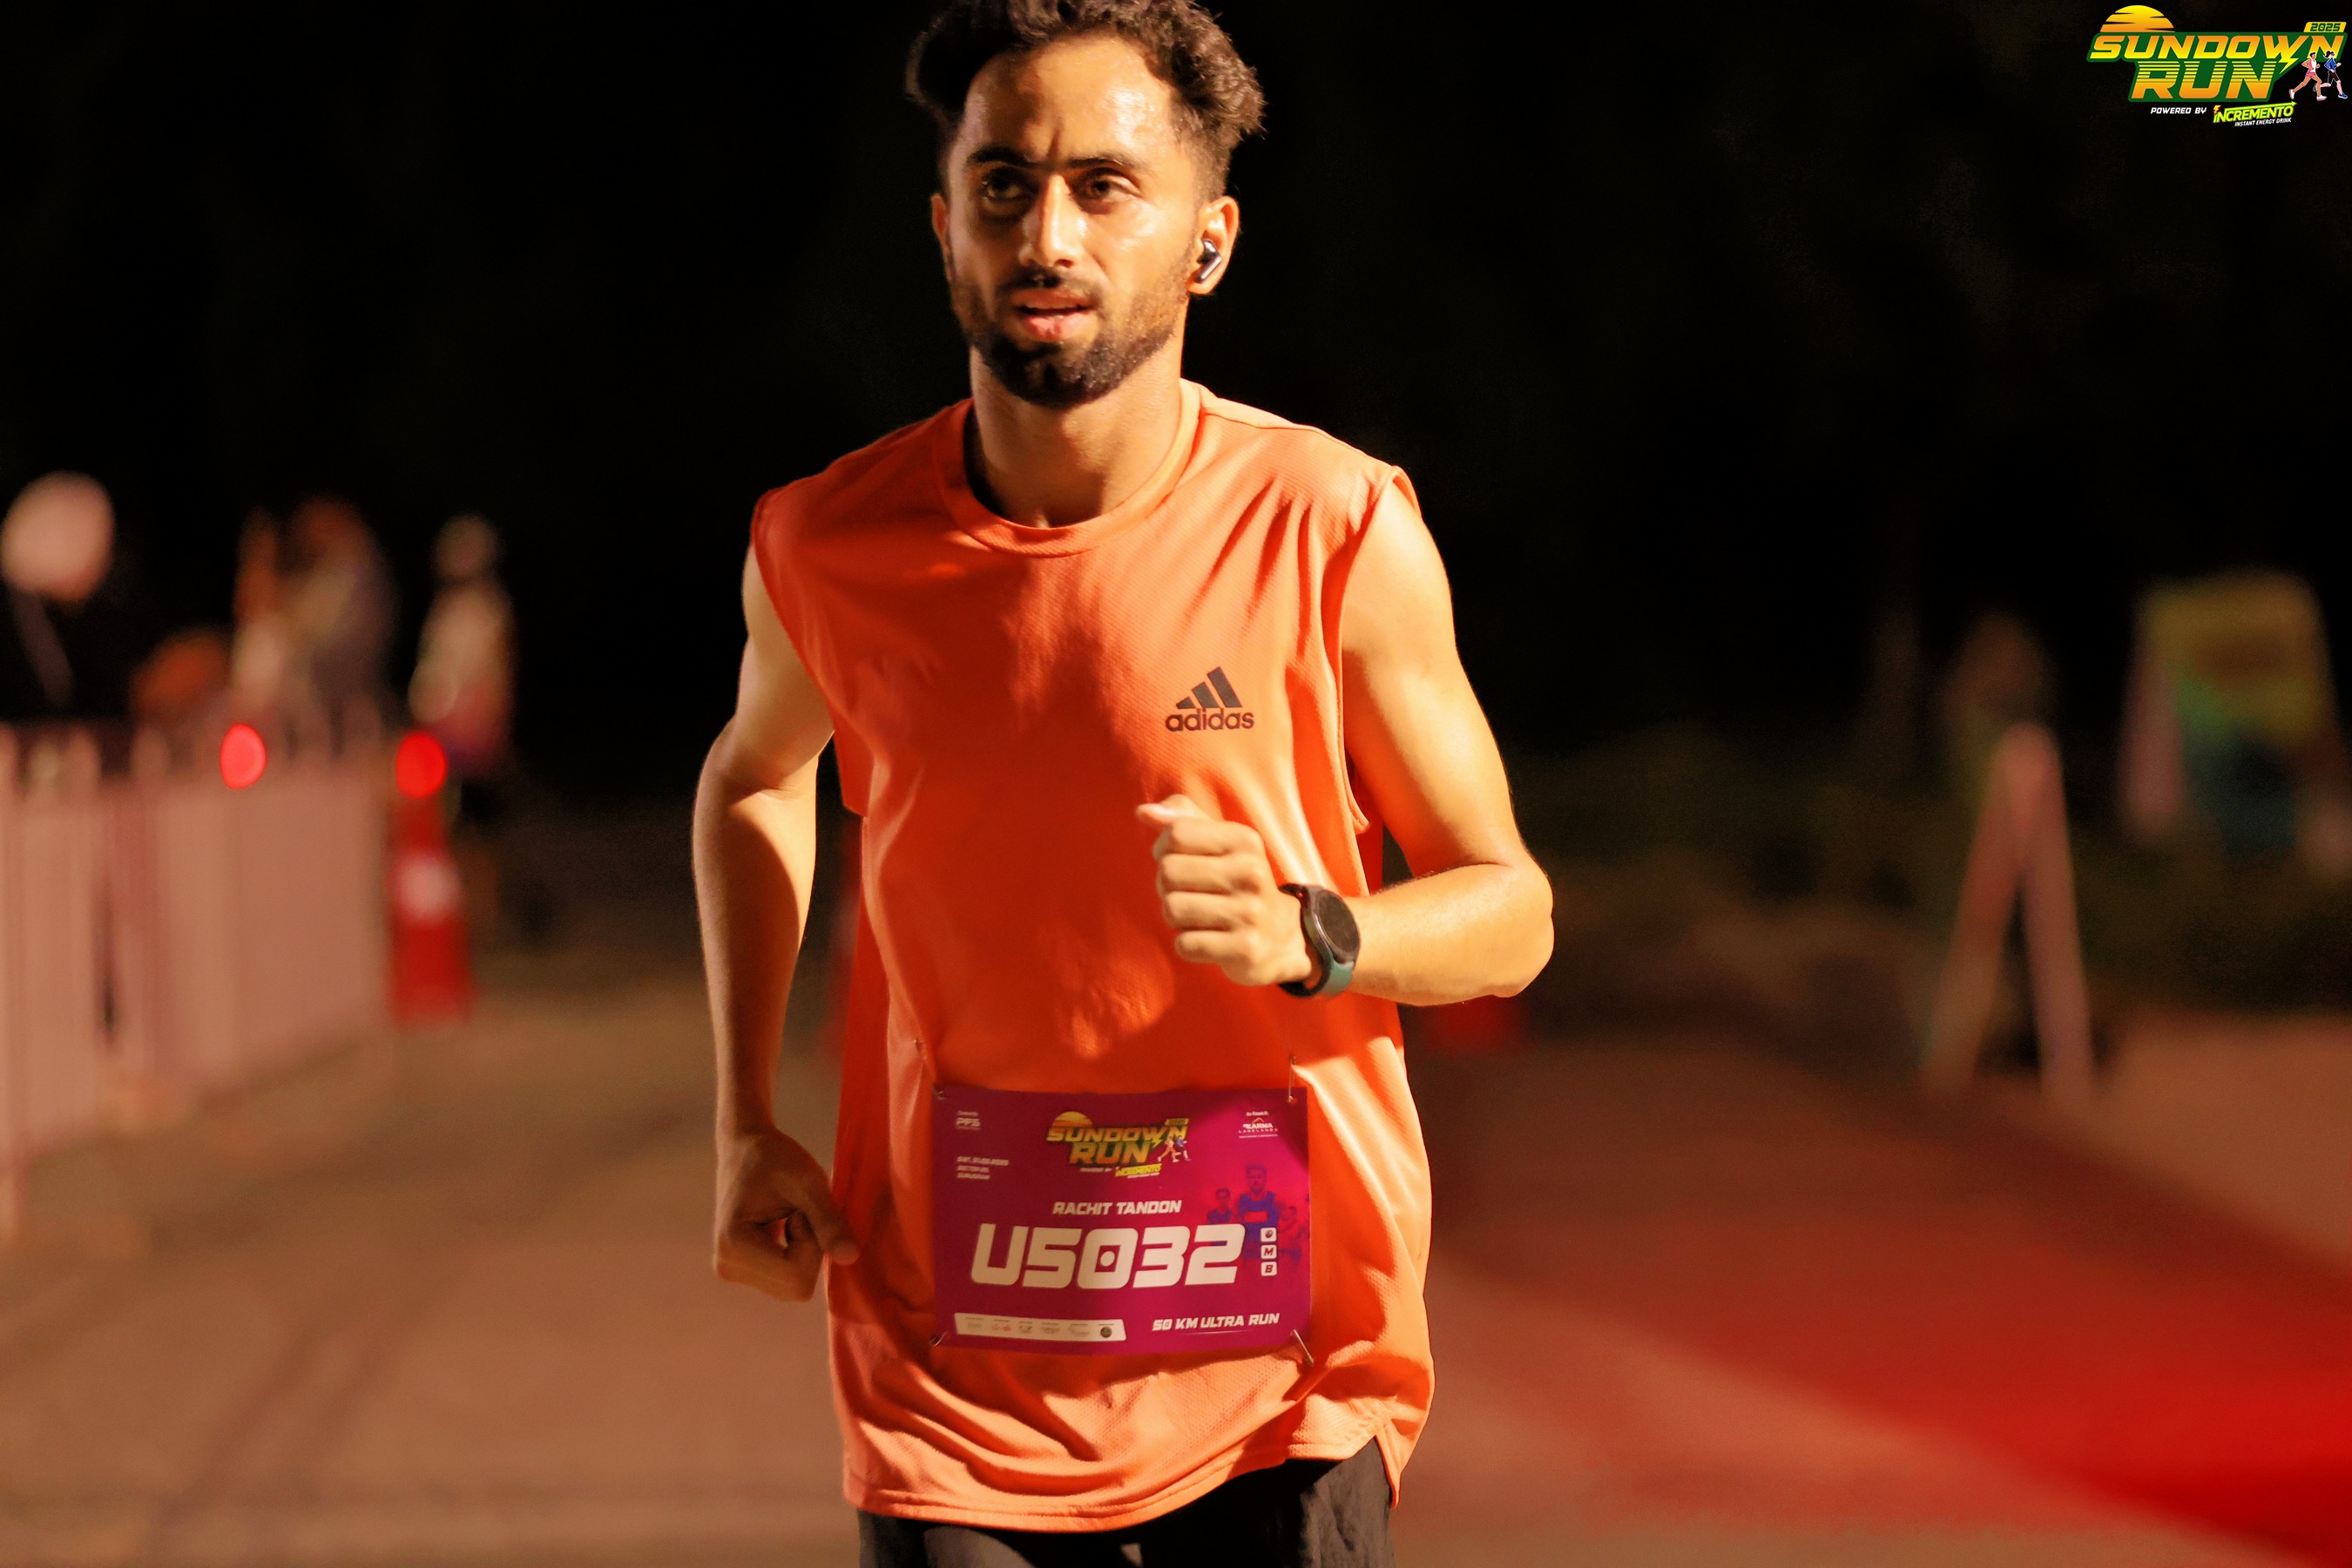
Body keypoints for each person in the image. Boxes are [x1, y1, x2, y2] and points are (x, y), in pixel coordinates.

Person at [693, 3, 1553, 1564]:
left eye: (1105, 186)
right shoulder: (826, 546)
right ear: (943, 226)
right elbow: (755, 774)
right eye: (1005, 185)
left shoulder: (1330, 528)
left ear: (1208, 242)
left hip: (1280, 1376)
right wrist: (745, 1115)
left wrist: (1317, 932)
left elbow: (1512, 913)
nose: (1049, 234)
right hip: (953, 1380)